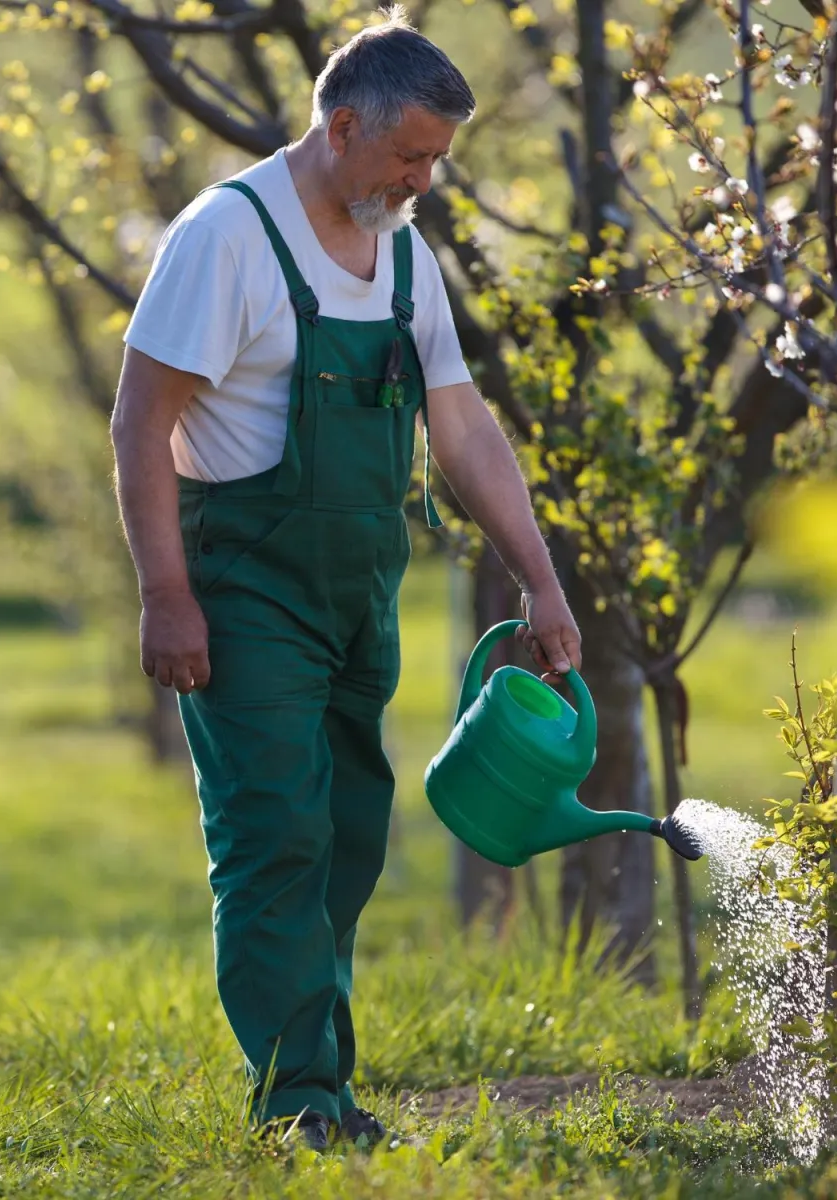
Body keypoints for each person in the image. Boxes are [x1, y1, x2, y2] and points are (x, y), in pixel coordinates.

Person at [109, 7, 582, 1152]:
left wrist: (542, 580)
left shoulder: (405, 254)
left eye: (438, 160)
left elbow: (462, 428)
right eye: (410, 154)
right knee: (277, 832)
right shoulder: (226, 237)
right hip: (243, 587)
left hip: (359, 594)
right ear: (340, 128)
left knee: (350, 834)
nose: (423, 181)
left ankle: (324, 1083)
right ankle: (297, 1105)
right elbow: (138, 421)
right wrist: (165, 595)